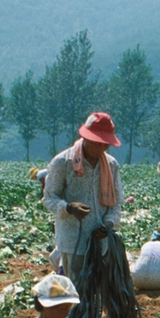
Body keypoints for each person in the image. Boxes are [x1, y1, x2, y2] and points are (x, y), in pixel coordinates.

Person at [41, 112, 124, 280]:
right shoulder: (62, 162)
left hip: (101, 242)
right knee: (76, 291)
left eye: (105, 144)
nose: (101, 148)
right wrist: (68, 207)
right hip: (73, 242)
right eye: (97, 143)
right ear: (86, 138)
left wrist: (108, 224)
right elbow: (49, 198)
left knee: (100, 290)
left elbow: (116, 203)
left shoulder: (111, 165)